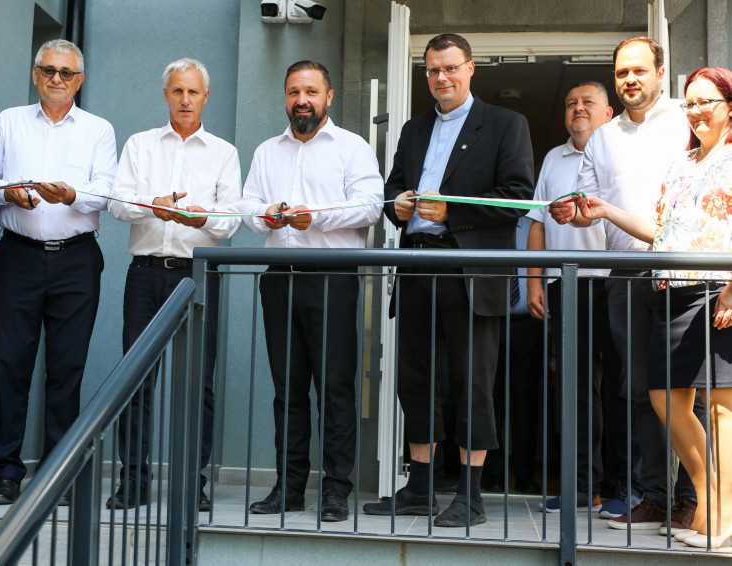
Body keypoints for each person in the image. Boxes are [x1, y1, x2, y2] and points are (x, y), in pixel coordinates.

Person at [363, 33, 534, 527]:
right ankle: (419, 488)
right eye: (433, 70)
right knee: (415, 378)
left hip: (470, 272)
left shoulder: (506, 124)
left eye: (451, 68)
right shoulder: (414, 128)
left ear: (471, 68)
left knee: (472, 381)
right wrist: (396, 206)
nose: (442, 77)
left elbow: (518, 196)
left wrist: (452, 211)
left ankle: (470, 495)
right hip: (417, 265)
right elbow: (394, 187)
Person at [574, 66, 732, 549]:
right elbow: (660, 233)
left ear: (729, 107)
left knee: (722, 408)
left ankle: (722, 516)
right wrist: (606, 210)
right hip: (672, 292)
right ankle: (711, 497)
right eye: (691, 103)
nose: (697, 111)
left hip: (718, 292)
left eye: (707, 101)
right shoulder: (682, 163)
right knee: (665, 397)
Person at [549, 37, 699, 532]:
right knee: (636, 391)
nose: (630, 79)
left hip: (684, 269)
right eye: (621, 73)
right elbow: (588, 208)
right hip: (625, 273)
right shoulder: (602, 138)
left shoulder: (687, 120)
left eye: (639, 70)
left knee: (689, 389)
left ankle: (694, 498)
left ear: (661, 72)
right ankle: (653, 496)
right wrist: (571, 213)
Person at [0, 39, 117, 505]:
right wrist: (7, 191)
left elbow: (107, 190)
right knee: (10, 365)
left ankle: (58, 473)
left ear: (79, 80)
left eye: (66, 72)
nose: (57, 78)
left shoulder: (98, 129)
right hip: (18, 257)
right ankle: (5, 473)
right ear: (36, 74)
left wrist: (71, 196)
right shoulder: (9, 121)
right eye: (48, 70)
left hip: (76, 260)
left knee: (67, 369)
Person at [239, 60, 383, 522]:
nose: (301, 100)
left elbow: (370, 206)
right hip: (279, 277)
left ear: (328, 97)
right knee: (288, 390)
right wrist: (267, 214)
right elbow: (246, 205)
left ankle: (336, 490)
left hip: (331, 277)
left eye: (311, 92)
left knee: (335, 388)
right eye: (293, 92)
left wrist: (314, 217)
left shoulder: (352, 147)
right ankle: (289, 488)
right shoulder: (267, 151)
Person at [107, 58, 241, 510]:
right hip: (145, 273)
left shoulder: (223, 152)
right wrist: (153, 205)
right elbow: (117, 203)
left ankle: (190, 483)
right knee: (136, 380)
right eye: (177, 91)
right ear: (166, 94)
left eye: (193, 92)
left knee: (197, 383)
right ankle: (134, 481)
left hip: (198, 274)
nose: (185, 100)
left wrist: (200, 218)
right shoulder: (140, 144)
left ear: (206, 97)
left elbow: (232, 219)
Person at [527, 81, 622, 514]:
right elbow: (538, 223)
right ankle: (584, 487)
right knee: (576, 390)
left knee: (622, 386)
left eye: (587, 102)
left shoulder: (620, 151)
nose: (577, 109)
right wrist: (534, 281)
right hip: (565, 285)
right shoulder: (553, 157)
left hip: (617, 281)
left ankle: (622, 487)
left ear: (608, 112)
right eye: (570, 104)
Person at [482, 215, 544, 496]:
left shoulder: (537, 224)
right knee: (490, 397)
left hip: (529, 322)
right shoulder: (488, 219)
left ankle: (525, 475)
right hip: (489, 319)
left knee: (525, 400)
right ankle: (493, 474)